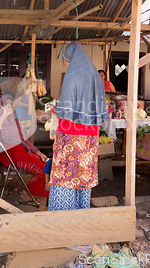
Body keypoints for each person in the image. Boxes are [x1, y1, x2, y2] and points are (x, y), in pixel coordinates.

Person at [48, 42, 108, 211]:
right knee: (83, 176)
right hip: (90, 137)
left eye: (67, 59)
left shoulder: (72, 75)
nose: (67, 63)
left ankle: (62, 217)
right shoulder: (96, 76)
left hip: (70, 136)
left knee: (65, 178)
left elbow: (66, 110)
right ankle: (81, 215)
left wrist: (53, 109)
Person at [0, 95, 49, 204]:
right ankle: (26, 194)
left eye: (11, 103)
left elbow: (24, 140)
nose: (10, 106)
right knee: (42, 170)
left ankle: (30, 192)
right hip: (8, 154)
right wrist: (4, 115)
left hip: (20, 151)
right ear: (2, 106)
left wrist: (39, 154)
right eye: (6, 104)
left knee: (46, 166)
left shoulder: (14, 121)